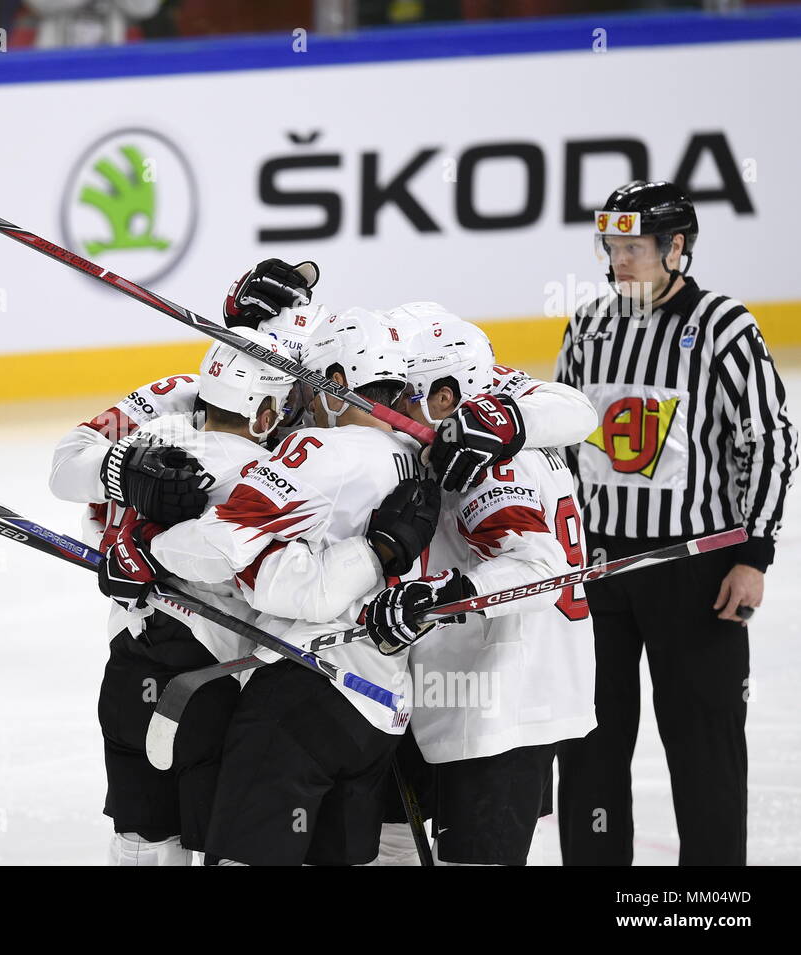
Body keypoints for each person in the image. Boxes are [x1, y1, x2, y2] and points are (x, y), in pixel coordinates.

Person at [555, 180, 797, 865]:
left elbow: (772, 440)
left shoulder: (724, 325)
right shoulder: (588, 326)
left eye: (634, 247)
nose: (619, 259)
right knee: (590, 747)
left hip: (698, 571)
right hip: (600, 571)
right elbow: (565, 443)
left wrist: (755, 553)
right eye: (612, 245)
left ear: (677, 248)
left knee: (704, 749)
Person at [140, 310, 435, 865]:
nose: (300, 399)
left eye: (310, 380)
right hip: (381, 710)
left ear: (339, 384)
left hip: (304, 695)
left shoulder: (325, 452)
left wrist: (147, 543)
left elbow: (213, 549)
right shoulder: (421, 463)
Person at [360, 304, 597, 866]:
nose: (392, 409)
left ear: (444, 397)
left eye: (402, 394)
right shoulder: (484, 409)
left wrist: (434, 596)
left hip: (502, 705)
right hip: (485, 689)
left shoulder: (487, 465)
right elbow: (566, 405)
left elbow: (536, 570)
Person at [51, 329, 298, 865]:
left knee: (140, 837)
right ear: (263, 414)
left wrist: (124, 538)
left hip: (127, 664)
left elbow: (82, 493)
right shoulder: (276, 474)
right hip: (211, 680)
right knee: (217, 840)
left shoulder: (147, 446)